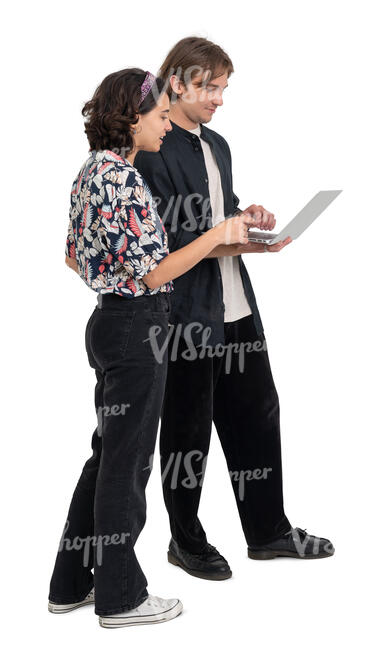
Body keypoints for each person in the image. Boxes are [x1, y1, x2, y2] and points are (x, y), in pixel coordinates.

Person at [48, 67, 256, 628]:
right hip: (139, 327)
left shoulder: (91, 172)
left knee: (106, 457)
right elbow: (156, 272)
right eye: (161, 116)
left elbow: (74, 255)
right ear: (131, 118)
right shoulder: (126, 180)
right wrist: (216, 236)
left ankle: (70, 584)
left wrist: (113, 280)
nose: (167, 125)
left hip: (109, 324)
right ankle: (120, 596)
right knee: (126, 465)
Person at [135, 37, 335, 580]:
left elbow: (217, 214)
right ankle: (186, 540)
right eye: (208, 87)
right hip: (185, 314)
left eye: (223, 87)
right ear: (175, 83)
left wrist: (248, 216)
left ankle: (268, 531)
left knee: (257, 416)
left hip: (236, 302)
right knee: (187, 429)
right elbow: (165, 241)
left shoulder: (218, 144)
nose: (219, 98)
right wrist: (229, 238)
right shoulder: (151, 145)